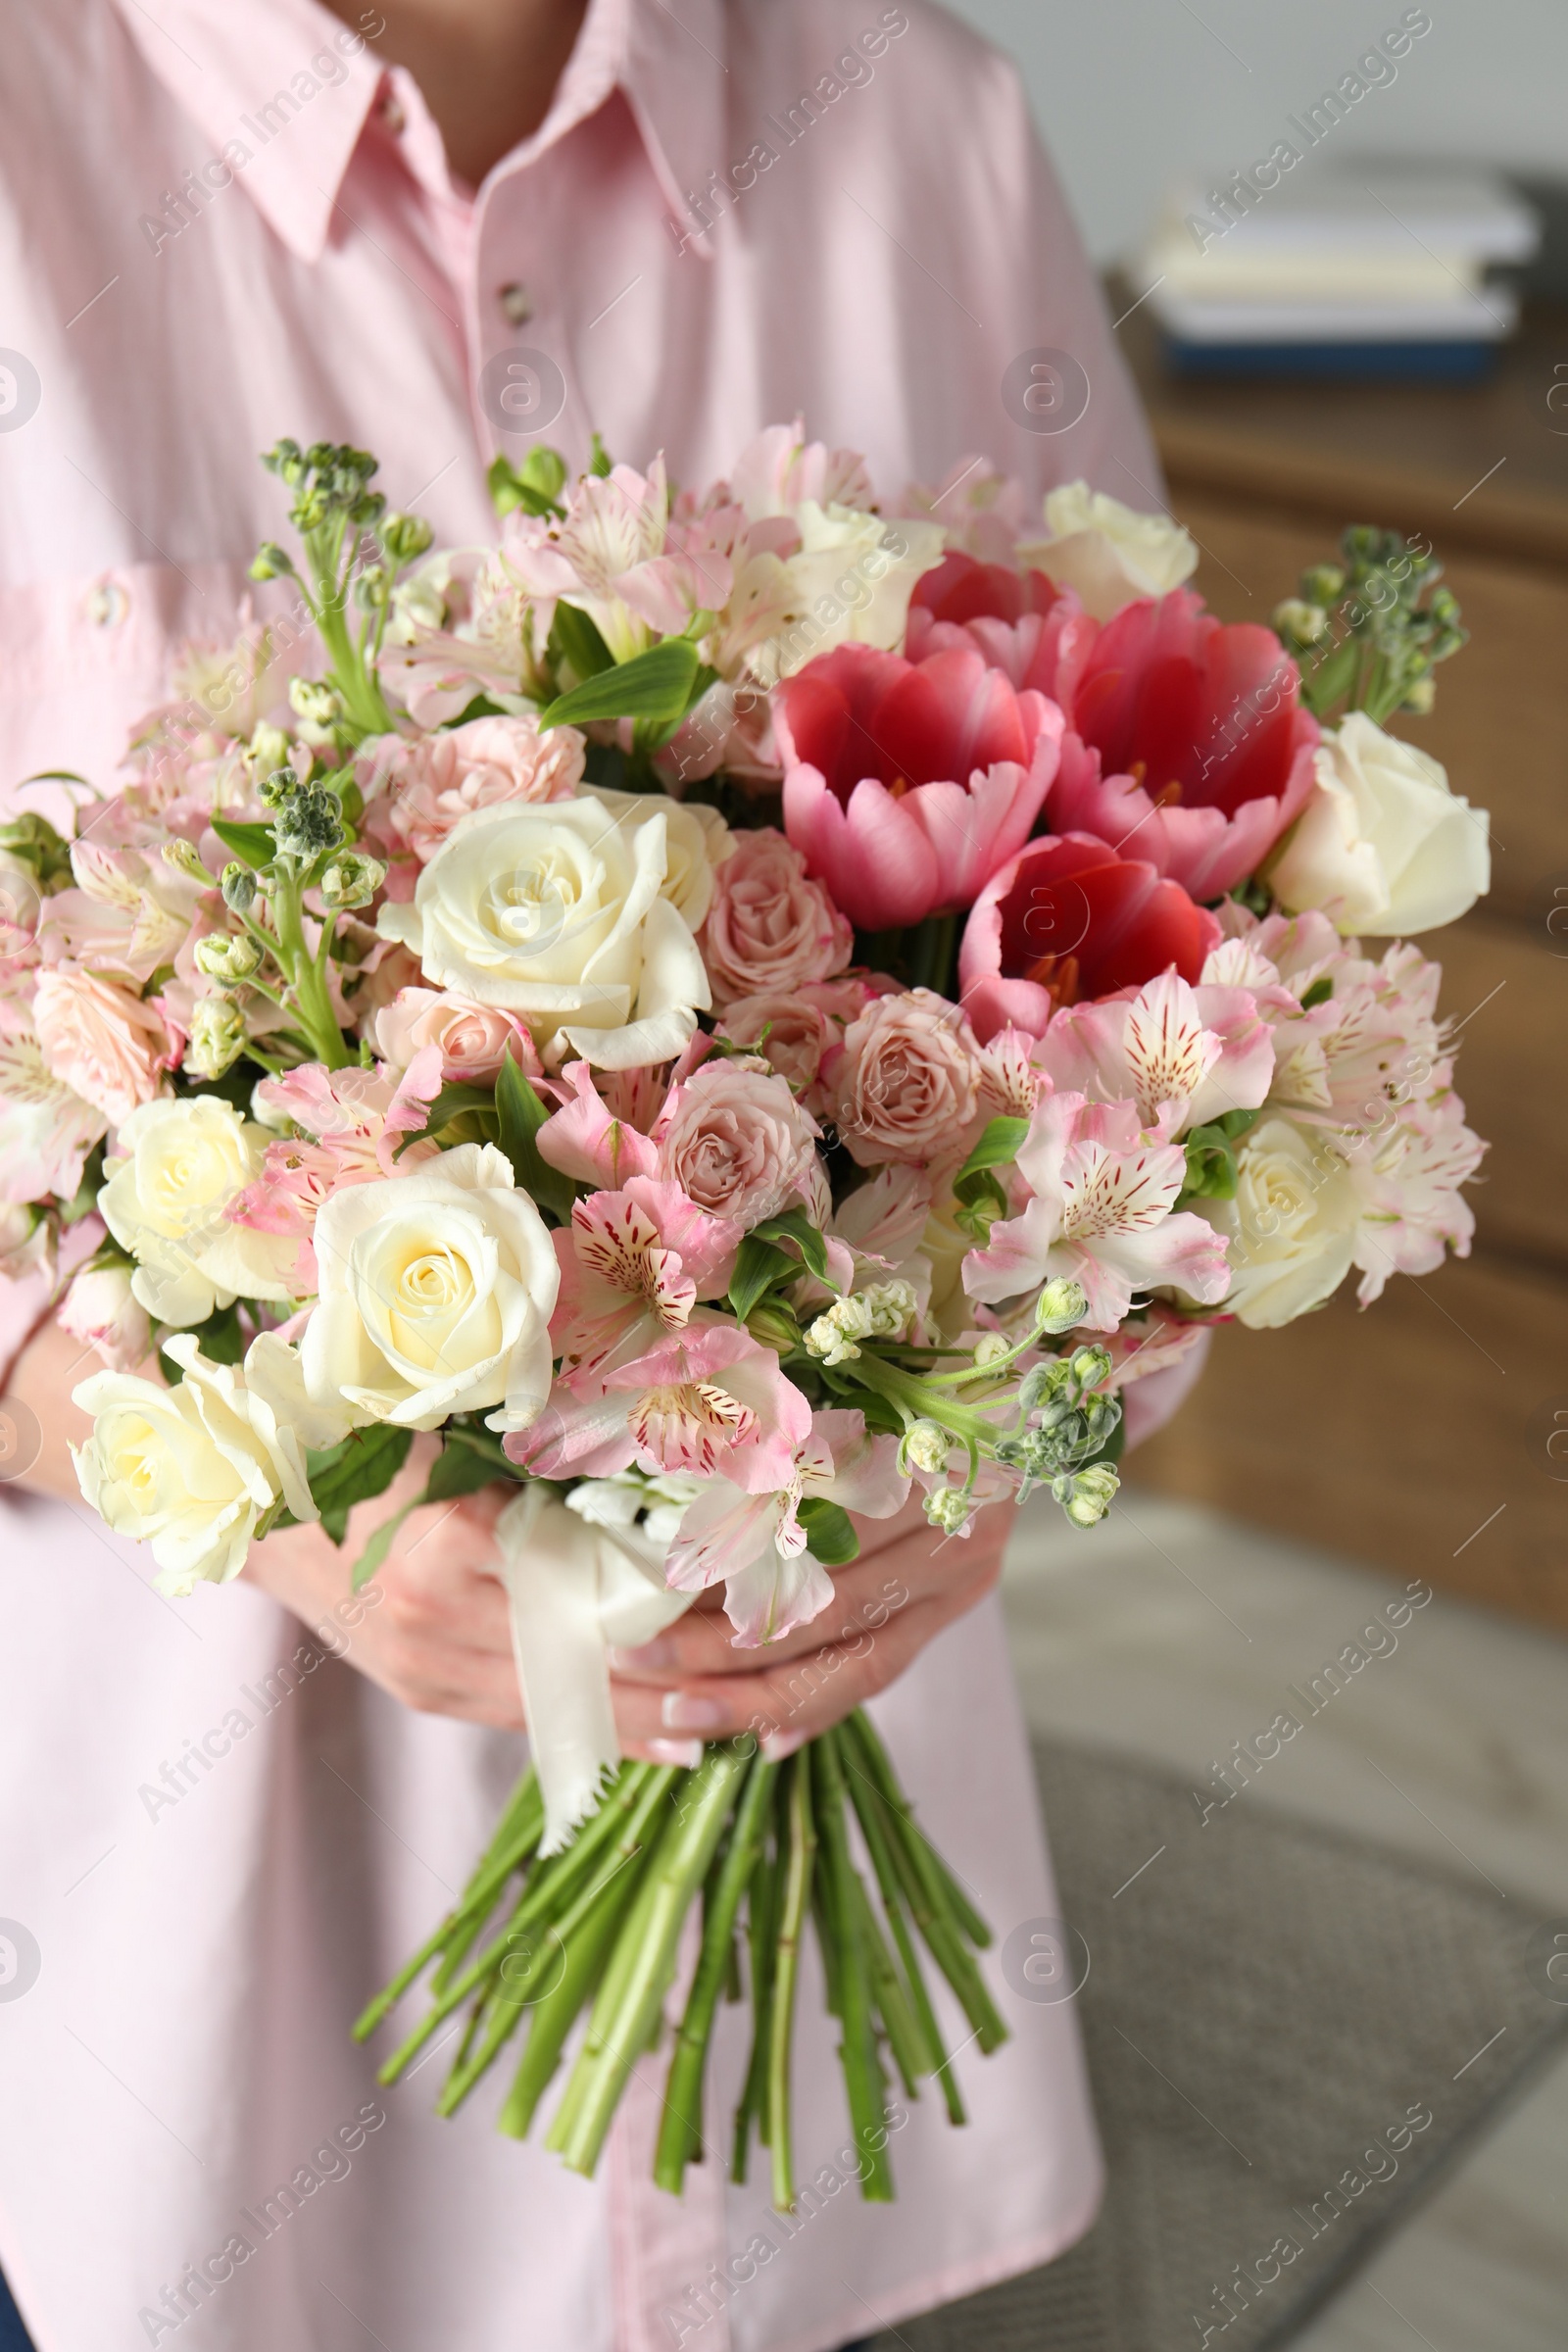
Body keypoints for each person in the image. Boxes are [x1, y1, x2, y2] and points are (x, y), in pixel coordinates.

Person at [0, 1, 1164, 2345]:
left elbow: (1148, 940)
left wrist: (1013, 1410)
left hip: (820, 2077)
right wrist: (227, 1461)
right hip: (160, 2019)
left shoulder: (915, 123)